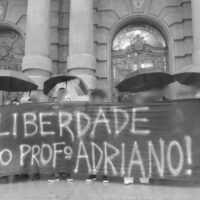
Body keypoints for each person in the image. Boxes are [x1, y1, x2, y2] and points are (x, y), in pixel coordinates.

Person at [48, 85, 73, 183]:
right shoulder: (54, 104)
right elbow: (50, 112)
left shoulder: (69, 103)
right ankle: (56, 174)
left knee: (67, 153)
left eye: (63, 93)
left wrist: (66, 103)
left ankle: (67, 173)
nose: (61, 95)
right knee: (56, 153)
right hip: (57, 133)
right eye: (60, 93)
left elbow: (73, 115)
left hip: (67, 133)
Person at [86, 89, 109, 183]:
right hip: (92, 134)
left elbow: (110, 120)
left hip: (103, 134)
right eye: (94, 98)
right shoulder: (89, 107)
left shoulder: (107, 107)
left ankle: (105, 174)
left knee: (104, 154)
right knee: (93, 154)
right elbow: (86, 119)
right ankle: (93, 174)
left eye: (98, 98)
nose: (95, 99)